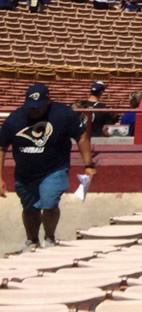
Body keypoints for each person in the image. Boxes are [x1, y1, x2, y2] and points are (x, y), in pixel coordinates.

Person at [0, 83, 94, 249]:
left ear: (48, 102)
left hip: (54, 169)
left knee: (49, 202)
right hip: (25, 174)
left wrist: (88, 164)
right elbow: (1, 147)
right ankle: (32, 240)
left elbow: (81, 137)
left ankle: (49, 238)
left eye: (38, 107)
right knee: (29, 208)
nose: (34, 111)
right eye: (31, 107)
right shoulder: (14, 119)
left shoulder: (64, 115)